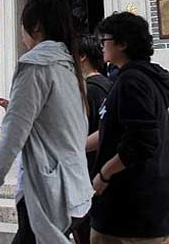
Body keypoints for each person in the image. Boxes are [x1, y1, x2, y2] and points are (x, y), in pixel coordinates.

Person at [0, 0, 95, 244]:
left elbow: (10, 140)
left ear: (35, 26)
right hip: (77, 188)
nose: (22, 34)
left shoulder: (35, 64)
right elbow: (67, 124)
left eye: (23, 27)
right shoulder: (69, 64)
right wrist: (18, 109)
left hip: (47, 192)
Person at [86, 11, 169, 244]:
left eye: (105, 40)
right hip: (144, 209)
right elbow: (114, 129)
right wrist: (74, 147)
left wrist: (103, 175)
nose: (101, 46)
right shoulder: (135, 78)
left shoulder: (133, 81)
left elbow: (142, 141)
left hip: (135, 211)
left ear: (123, 43)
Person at [75, 33, 113, 244]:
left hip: (89, 174)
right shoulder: (109, 85)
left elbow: (98, 132)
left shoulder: (89, 90)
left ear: (81, 57)